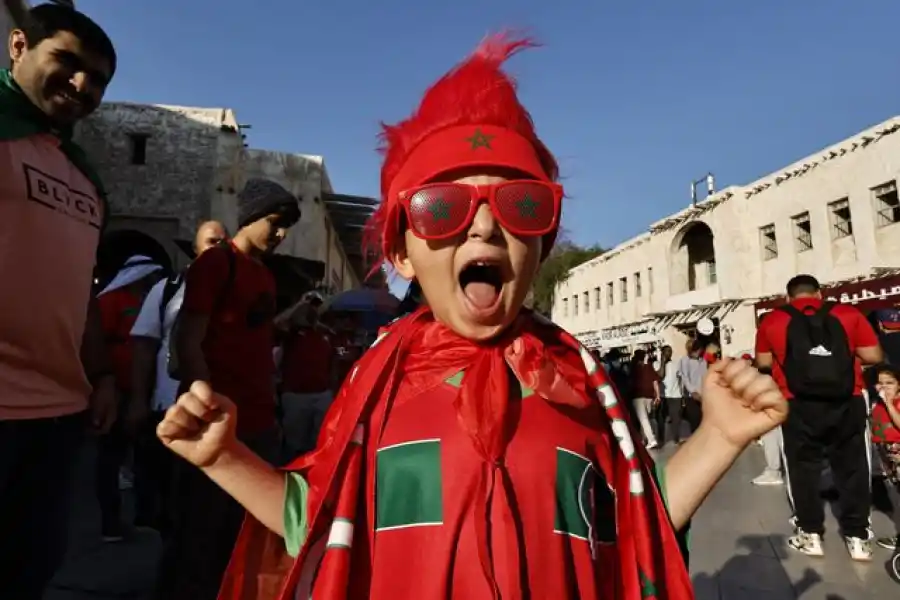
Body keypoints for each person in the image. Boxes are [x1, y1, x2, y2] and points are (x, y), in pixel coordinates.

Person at [157, 35, 787, 600]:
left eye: (521, 203)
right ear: (403, 250)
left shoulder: (581, 387)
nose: (484, 224)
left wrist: (718, 437)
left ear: (543, 242)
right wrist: (225, 458)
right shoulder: (373, 394)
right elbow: (316, 519)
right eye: (441, 207)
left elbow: (635, 526)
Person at [0, 5, 117, 598]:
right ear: (18, 45)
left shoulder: (83, 175)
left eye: (97, 79)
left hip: (56, 415)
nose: (82, 86)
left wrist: (100, 373)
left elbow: (83, 287)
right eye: (67, 63)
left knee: (29, 570)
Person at [153, 180, 300, 600]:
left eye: (287, 225)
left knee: (239, 541)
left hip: (259, 425)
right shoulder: (217, 264)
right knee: (196, 544)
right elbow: (187, 342)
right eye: (275, 222)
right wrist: (207, 409)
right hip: (218, 429)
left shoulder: (265, 277)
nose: (281, 234)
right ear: (251, 217)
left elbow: (257, 339)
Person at [755, 274, 882, 560]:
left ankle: (810, 534)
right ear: (819, 294)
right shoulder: (848, 313)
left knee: (802, 469)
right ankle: (858, 537)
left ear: (788, 297)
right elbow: (873, 355)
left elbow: (763, 363)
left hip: (796, 402)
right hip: (847, 399)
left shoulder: (772, 321)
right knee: (853, 468)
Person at [127, 220, 227, 534]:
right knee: (170, 500)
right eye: (212, 242)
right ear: (196, 249)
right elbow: (144, 345)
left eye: (224, 244)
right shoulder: (168, 288)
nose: (218, 250)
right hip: (170, 406)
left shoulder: (237, 292)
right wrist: (137, 401)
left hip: (220, 411)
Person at [95, 255, 165, 541]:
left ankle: (144, 515)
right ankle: (110, 522)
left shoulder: (146, 302)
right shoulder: (112, 301)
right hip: (118, 390)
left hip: (140, 389)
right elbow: (101, 339)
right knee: (110, 457)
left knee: (142, 455)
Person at [276, 291, 338, 457]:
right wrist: (301, 303)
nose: (310, 310)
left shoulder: (326, 334)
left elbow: (332, 364)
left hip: (322, 396)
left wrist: (332, 392)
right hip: (296, 397)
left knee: (320, 444)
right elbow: (278, 323)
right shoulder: (290, 335)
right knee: (294, 445)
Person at [870, 364, 900, 552]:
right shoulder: (877, 404)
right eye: (880, 383)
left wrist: (889, 403)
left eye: (889, 383)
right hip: (885, 453)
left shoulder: (896, 403)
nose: (884, 387)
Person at [655, 345, 686, 445]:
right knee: (660, 419)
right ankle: (660, 439)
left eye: (670, 351)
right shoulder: (656, 364)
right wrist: (663, 363)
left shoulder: (676, 364)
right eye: (667, 351)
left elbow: (680, 379)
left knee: (676, 418)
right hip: (662, 396)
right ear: (662, 353)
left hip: (675, 395)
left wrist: (682, 394)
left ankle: (676, 438)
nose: (669, 353)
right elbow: (660, 375)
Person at [629, 348, 660, 449]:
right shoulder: (649, 367)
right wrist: (658, 396)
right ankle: (643, 440)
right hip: (649, 396)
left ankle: (651, 440)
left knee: (643, 419)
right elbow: (655, 382)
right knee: (645, 419)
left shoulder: (633, 368)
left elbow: (630, 382)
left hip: (637, 396)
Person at [676, 340, 706, 434]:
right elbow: (685, 378)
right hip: (692, 396)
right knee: (694, 421)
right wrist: (692, 391)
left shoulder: (703, 361)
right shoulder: (685, 361)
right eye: (695, 350)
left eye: (698, 350)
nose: (697, 352)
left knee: (704, 421)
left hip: (704, 394)